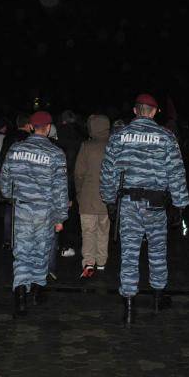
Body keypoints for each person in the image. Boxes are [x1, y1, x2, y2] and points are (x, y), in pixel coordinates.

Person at [100, 94, 189, 327]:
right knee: (157, 251)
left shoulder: (119, 136)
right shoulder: (166, 137)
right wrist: (180, 204)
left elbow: (107, 172)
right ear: (154, 111)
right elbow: (176, 173)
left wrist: (109, 201)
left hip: (128, 203)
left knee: (129, 253)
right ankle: (158, 298)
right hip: (155, 204)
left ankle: (129, 305)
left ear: (135, 110)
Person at [0, 111, 68, 317]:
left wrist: (13, 196)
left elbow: (4, 183)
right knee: (41, 251)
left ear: (30, 126)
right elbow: (60, 190)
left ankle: (20, 296)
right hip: (45, 211)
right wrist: (60, 217)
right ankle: (37, 290)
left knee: (21, 253)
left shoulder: (15, 149)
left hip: (21, 209)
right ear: (48, 128)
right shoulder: (56, 153)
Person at [74, 114, 111, 277]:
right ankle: (101, 262)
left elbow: (79, 174)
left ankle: (89, 264)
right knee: (103, 231)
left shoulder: (86, 146)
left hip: (88, 197)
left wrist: (79, 193)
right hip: (107, 198)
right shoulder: (113, 146)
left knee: (89, 231)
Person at [0, 114, 33, 251]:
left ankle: (8, 240)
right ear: (28, 124)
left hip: (12, 179)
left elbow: (3, 159)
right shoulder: (30, 139)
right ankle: (24, 240)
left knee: (10, 209)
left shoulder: (8, 138)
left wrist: (3, 180)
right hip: (26, 180)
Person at [56, 110, 85, 258]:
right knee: (75, 213)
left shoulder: (58, 136)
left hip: (61, 178)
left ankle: (63, 244)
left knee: (61, 212)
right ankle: (74, 243)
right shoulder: (82, 135)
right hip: (78, 180)